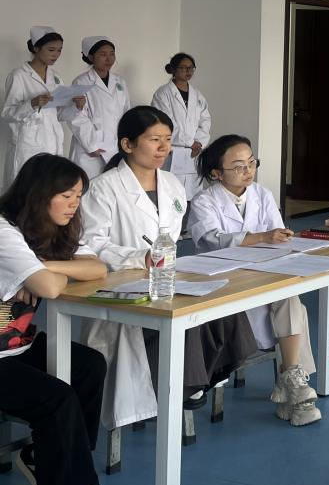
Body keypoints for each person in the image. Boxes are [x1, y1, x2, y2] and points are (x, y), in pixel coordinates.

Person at [78, 106, 256, 428]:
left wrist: (159, 261)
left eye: (168, 139)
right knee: (182, 314)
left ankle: (202, 377)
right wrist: (140, 257)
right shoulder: (104, 187)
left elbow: (171, 238)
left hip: (165, 279)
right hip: (120, 285)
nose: (164, 148)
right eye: (154, 140)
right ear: (128, 144)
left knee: (218, 302)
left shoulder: (172, 184)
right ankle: (187, 385)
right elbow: (92, 245)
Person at [0, 154, 108, 485]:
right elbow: (48, 288)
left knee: (89, 366)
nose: (74, 204)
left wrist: (43, 265)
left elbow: (97, 267)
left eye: (78, 196)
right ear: (39, 194)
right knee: (56, 398)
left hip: (15, 346)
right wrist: (45, 274)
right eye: (66, 195)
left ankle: (49, 460)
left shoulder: (45, 234)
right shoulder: (3, 231)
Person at [186, 135, 320, 427]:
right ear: (217, 173)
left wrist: (278, 239)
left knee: (289, 294)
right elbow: (211, 241)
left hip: (265, 274)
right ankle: (294, 383)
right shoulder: (204, 201)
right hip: (224, 282)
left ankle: (292, 382)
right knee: (292, 304)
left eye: (251, 163)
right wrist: (261, 237)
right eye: (238, 166)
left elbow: (278, 235)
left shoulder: (262, 194)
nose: (247, 171)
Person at [2, 28, 85, 188]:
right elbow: (7, 113)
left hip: (52, 143)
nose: (56, 55)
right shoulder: (19, 76)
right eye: (51, 50)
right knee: (26, 190)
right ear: (36, 48)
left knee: (49, 191)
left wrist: (76, 107)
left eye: (59, 50)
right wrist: (32, 104)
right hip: (28, 145)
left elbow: (58, 114)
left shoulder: (56, 77)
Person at [62, 37, 130, 179]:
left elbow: (126, 112)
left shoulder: (120, 82)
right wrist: (91, 145)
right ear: (91, 57)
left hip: (115, 146)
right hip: (90, 148)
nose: (109, 59)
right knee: (88, 186)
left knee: (111, 186)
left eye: (112, 54)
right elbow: (77, 117)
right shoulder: (81, 81)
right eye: (103, 54)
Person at [150, 53, 210, 200]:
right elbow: (165, 122)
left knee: (193, 198)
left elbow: (205, 120)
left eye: (191, 68)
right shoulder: (163, 94)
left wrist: (199, 142)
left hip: (194, 153)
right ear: (173, 70)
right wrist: (190, 142)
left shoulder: (197, 95)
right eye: (183, 68)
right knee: (171, 196)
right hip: (173, 152)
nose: (187, 71)